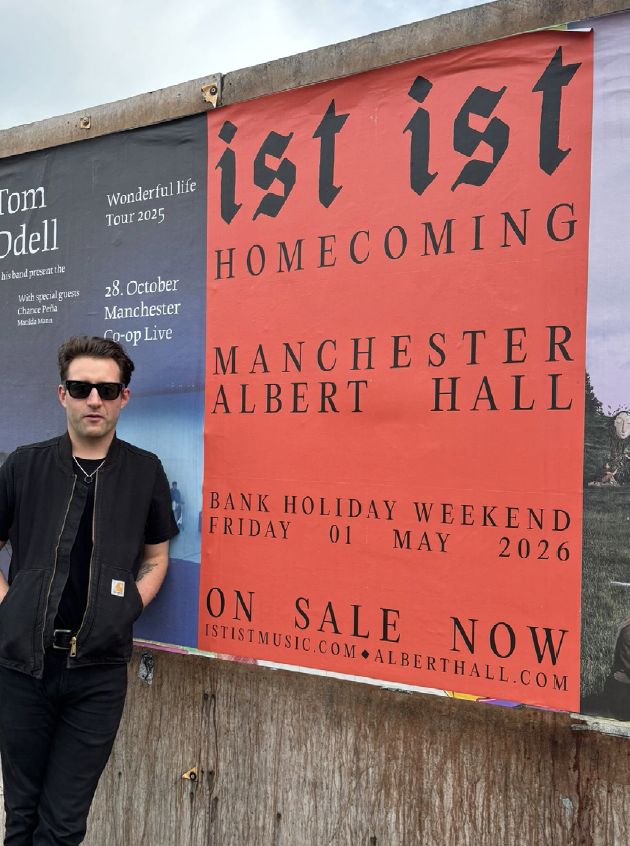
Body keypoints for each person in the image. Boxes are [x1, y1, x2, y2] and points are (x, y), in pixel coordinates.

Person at [0, 335, 178, 845]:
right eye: (81, 388)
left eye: (106, 388)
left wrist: (125, 609)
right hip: (21, 670)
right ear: (63, 395)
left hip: (97, 677)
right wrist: (11, 606)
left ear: (124, 396)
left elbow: (156, 557)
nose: (93, 399)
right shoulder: (23, 466)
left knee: (62, 828)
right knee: (21, 820)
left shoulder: (145, 471)